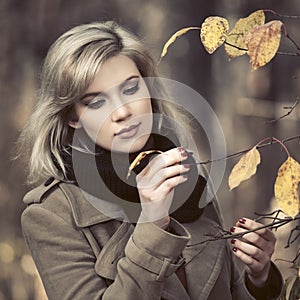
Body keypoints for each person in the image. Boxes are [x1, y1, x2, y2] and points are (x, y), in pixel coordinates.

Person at [19, 21, 283, 299]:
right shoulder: (50, 216)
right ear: (72, 117)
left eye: (131, 89)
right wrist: (153, 223)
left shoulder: (187, 179)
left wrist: (260, 278)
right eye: (96, 102)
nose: (123, 112)